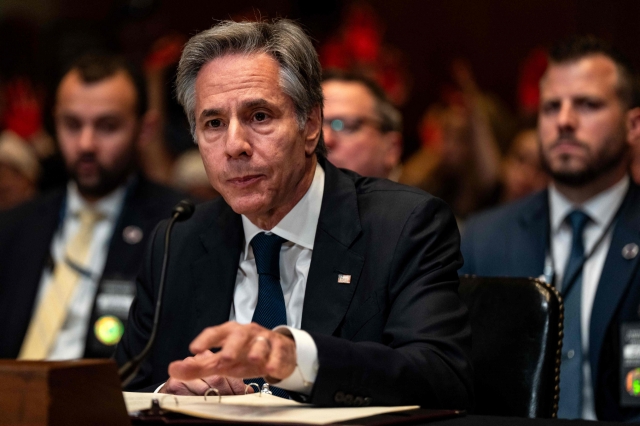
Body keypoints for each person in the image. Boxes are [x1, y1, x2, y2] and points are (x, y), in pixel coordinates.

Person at [115, 19, 473, 409]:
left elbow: (440, 378)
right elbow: (124, 387)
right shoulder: (176, 242)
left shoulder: (403, 226)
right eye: (214, 123)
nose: (234, 145)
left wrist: (295, 359)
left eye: (259, 117)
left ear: (311, 125)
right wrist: (171, 394)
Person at [460, 36, 640, 421]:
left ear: (633, 125)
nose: (564, 121)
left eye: (588, 105)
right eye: (551, 107)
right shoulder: (485, 237)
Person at [0, 54, 186, 360]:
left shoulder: (176, 227)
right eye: (72, 124)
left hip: (113, 402)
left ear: (145, 129)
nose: (86, 143)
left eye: (107, 126)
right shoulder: (13, 227)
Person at [321, 70, 402, 180]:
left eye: (344, 125)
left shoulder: (422, 196)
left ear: (392, 148)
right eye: (312, 126)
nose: (324, 140)